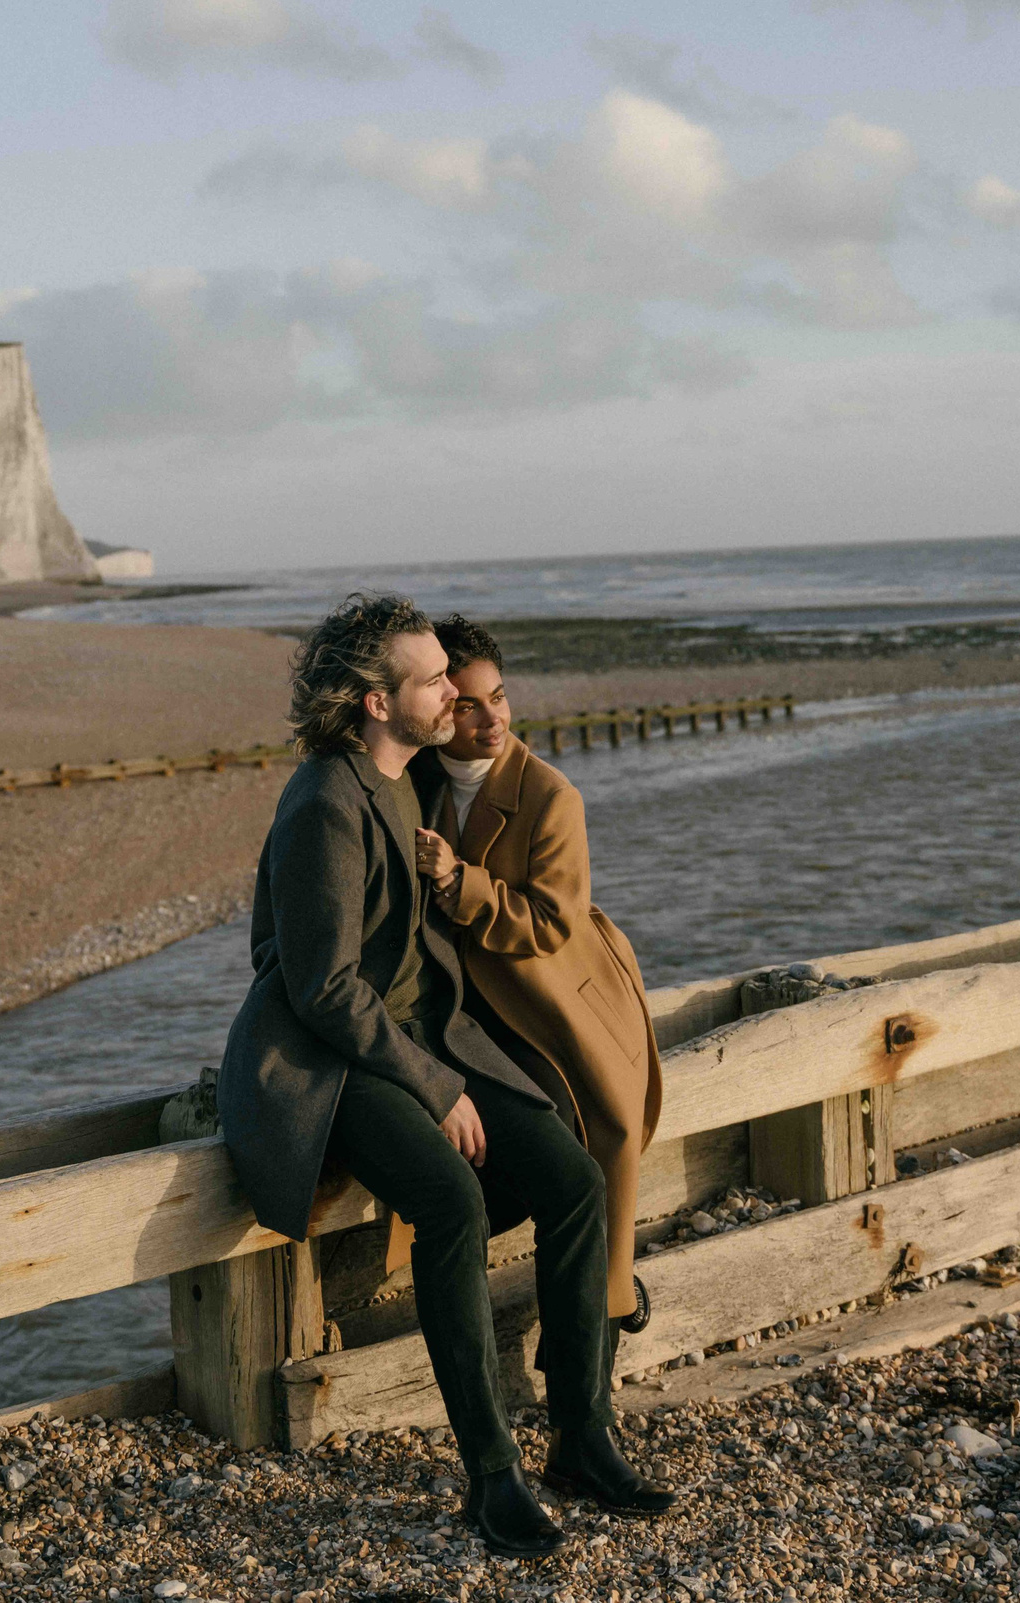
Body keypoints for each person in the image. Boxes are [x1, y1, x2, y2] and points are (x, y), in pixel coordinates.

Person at [216, 593, 672, 1560]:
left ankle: (582, 1434)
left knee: (577, 1181)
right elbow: (322, 987)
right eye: (434, 682)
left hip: (431, 1034)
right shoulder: (326, 804)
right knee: (453, 1204)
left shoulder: (412, 778)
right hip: (335, 1063)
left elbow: (498, 808)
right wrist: (438, 1086)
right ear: (380, 702)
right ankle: (491, 1474)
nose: (455, 697)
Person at [410, 615, 664, 1338]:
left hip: (555, 992)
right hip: (472, 1006)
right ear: (435, 709)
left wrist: (462, 881)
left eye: (500, 697)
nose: (493, 719)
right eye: (467, 704)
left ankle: (601, 1306)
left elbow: (551, 921)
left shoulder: (552, 796)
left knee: (588, 1130)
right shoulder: (417, 782)